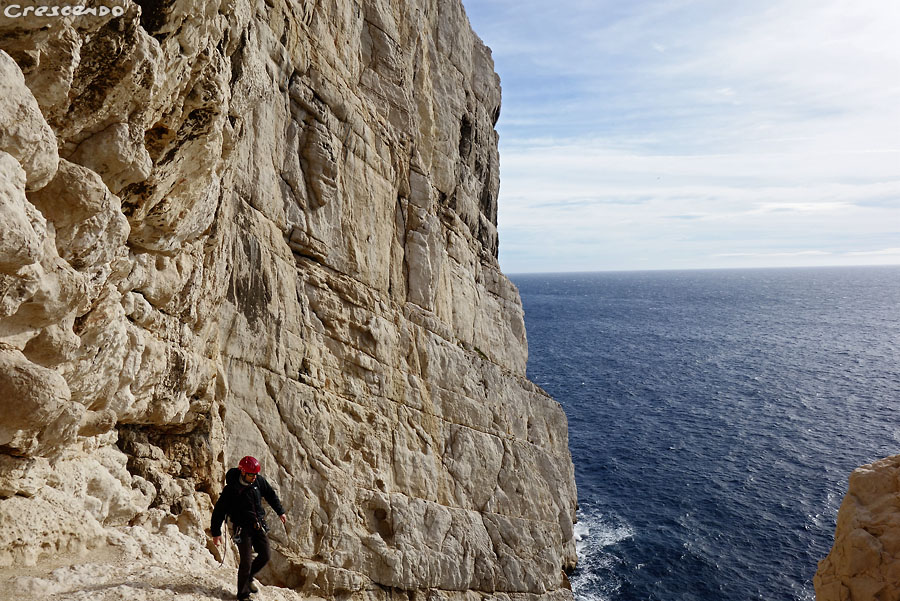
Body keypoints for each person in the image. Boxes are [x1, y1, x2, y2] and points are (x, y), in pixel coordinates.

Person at [211, 456, 287, 600]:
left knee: (265, 554)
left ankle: (249, 576)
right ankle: (242, 595)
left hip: (258, 526)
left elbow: (270, 495)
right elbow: (219, 511)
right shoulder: (232, 489)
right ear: (242, 472)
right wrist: (216, 533)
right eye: (251, 474)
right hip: (242, 529)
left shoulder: (258, 481)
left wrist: (280, 511)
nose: (254, 477)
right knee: (245, 561)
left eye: (255, 474)